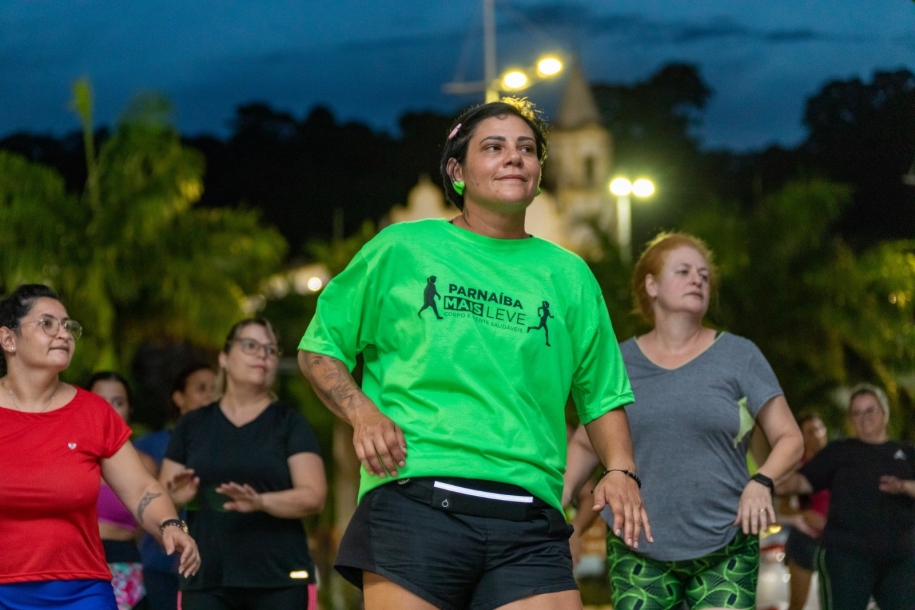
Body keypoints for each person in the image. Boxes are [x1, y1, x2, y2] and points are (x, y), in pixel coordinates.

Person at [299, 98, 647, 610]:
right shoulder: (402, 248)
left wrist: (620, 469)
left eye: (526, 149)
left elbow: (601, 393)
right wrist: (363, 413)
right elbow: (319, 350)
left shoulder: (569, 274)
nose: (515, 157)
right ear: (457, 171)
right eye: (495, 147)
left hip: (529, 517)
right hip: (414, 499)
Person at [564, 232, 803, 610]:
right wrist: (555, 519)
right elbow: (583, 443)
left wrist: (761, 481)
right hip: (635, 543)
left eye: (705, 276)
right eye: (684, 271)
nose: (697, 280)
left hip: (727, 543)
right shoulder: (618, 361)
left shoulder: (739, 354)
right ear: (651, 285)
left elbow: (790, 437)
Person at [0, 284, 199, 609]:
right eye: (47, 324)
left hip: (82, 592)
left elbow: (140, 489)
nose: (63, 334)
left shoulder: (93, 413)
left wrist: (170, 525)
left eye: (68, 326)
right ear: (9, 339)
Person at [160, 318, 326, 610]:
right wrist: (178, 498)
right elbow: (160, 503)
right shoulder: (192, 425)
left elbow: (314, 496)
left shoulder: (289, 423)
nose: (262, 354)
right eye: (250, 345)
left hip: (280, 579)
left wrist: (261, 501)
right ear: (224, 358)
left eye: (270, 350)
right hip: (205, 577)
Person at [776, 384, 915, 610]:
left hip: (900, 559)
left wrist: (905, 486)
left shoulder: (907, 454)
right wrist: (769, 478)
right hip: (848, 556)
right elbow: (799, 483)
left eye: (870, 410)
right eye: (857, 413)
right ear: (851, 418)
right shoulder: (839, 451)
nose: (864, 417)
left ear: (884, 412)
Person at [134, 362, 215, 610]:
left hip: (217, 570)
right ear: (179, 398)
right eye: (202, 388)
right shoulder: (149, 447)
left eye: (217, 389)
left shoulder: (232, 449)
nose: (211, 396)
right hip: (161, 568)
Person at [87, 371, 159, 610]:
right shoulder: (62, 456)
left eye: (118, 402)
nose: (109, 410)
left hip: (126, 571)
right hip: (71, 568)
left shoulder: (143, 464)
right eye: (100, 401)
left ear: (130, 410)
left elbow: (149, 521)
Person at [778, 413, 829, 610]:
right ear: (802, 436)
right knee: (797, 605)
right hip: (805, 541)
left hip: (835, 542)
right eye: (810, 431)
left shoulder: (839, 463)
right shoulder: (796, 468)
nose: (816, 434)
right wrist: (804, 515)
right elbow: (783, 507)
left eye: (819, 428)